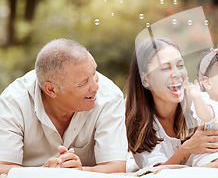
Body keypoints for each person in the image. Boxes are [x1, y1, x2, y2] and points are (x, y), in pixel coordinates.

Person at [126, 37, 218, 169]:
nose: (177, 74)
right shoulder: (138, 121)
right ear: (145, 80)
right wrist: (187, 149)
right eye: (166, 68)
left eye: (180, 65)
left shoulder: (202, 103)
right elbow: (156, 172)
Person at [0, 39, 127, 174]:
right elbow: (2, 167)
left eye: (94, 73)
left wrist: (79, 171)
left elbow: (116, 168)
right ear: (51, 90)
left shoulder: (110, 97)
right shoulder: (13, 102)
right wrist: (43, 173)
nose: (96, 86)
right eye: (84, 82)